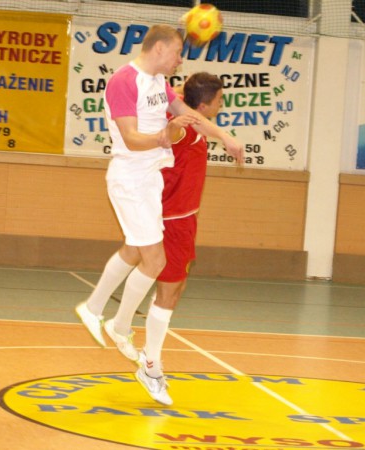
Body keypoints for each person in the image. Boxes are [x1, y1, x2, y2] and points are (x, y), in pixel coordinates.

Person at [75, 25, 243, 405]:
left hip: (150, 181)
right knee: (155, 264)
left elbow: (186, 113)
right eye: (178, 52)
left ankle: (102, 313)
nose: (181, 59)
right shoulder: (124, 81)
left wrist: (226, 137)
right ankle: (133, 344)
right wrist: (165, 136)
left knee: (139, 254)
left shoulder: (158, 84)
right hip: (134, 180)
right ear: (161, 48)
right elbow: (132, 138)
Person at [139, 72, 226, 406]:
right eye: (219, 100)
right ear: (203, 106)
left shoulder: (190, 117)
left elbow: (175, 94)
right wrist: (174, 123)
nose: (222, 105)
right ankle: (151, 366)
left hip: (182, 218)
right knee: (169, 292)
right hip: (173, 220)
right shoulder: (186, 130)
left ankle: (147, 353)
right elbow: (172, 133)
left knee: (174, 289)